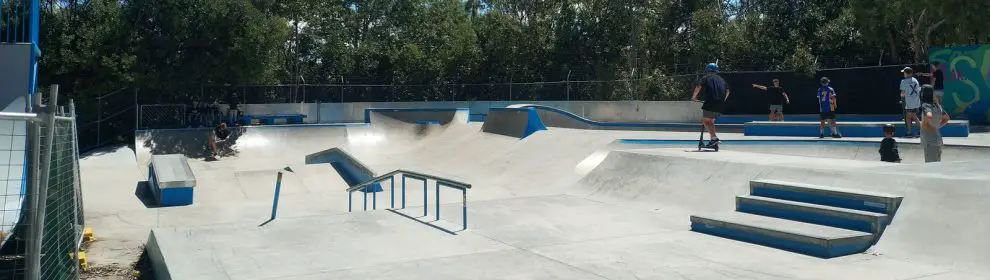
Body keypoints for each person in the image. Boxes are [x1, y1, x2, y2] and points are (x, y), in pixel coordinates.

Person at [691, 63, 730, 148]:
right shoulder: (722, 80)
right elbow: (728, 91)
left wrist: (694, 97)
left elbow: (698, 86)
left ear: (707, 70)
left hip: (710, 101)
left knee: (705, 121)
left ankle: (714, 138)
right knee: (711, 121)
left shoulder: (706, 78)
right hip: (720, 103)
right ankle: (713, 141)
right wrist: (722, 100)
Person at [920, 84, 950, 163]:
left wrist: (924, 124)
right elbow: (947, 118)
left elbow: (929, 115)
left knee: (931, 167)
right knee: (937, 164)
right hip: (938, 139)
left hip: (929, 140)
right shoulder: (938, 106)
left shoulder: (925, 105)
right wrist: (936, 127)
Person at [900, 67, 922, 138]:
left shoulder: (903, 81)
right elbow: (918, 90)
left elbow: (902, 93)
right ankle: (920, 131)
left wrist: (902, 98)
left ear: (906, 73)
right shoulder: (915, 80)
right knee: (914, 116)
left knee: (908, 117)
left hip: (909, 102)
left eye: (904, 72)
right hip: (916, 102)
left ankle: (909, 132)